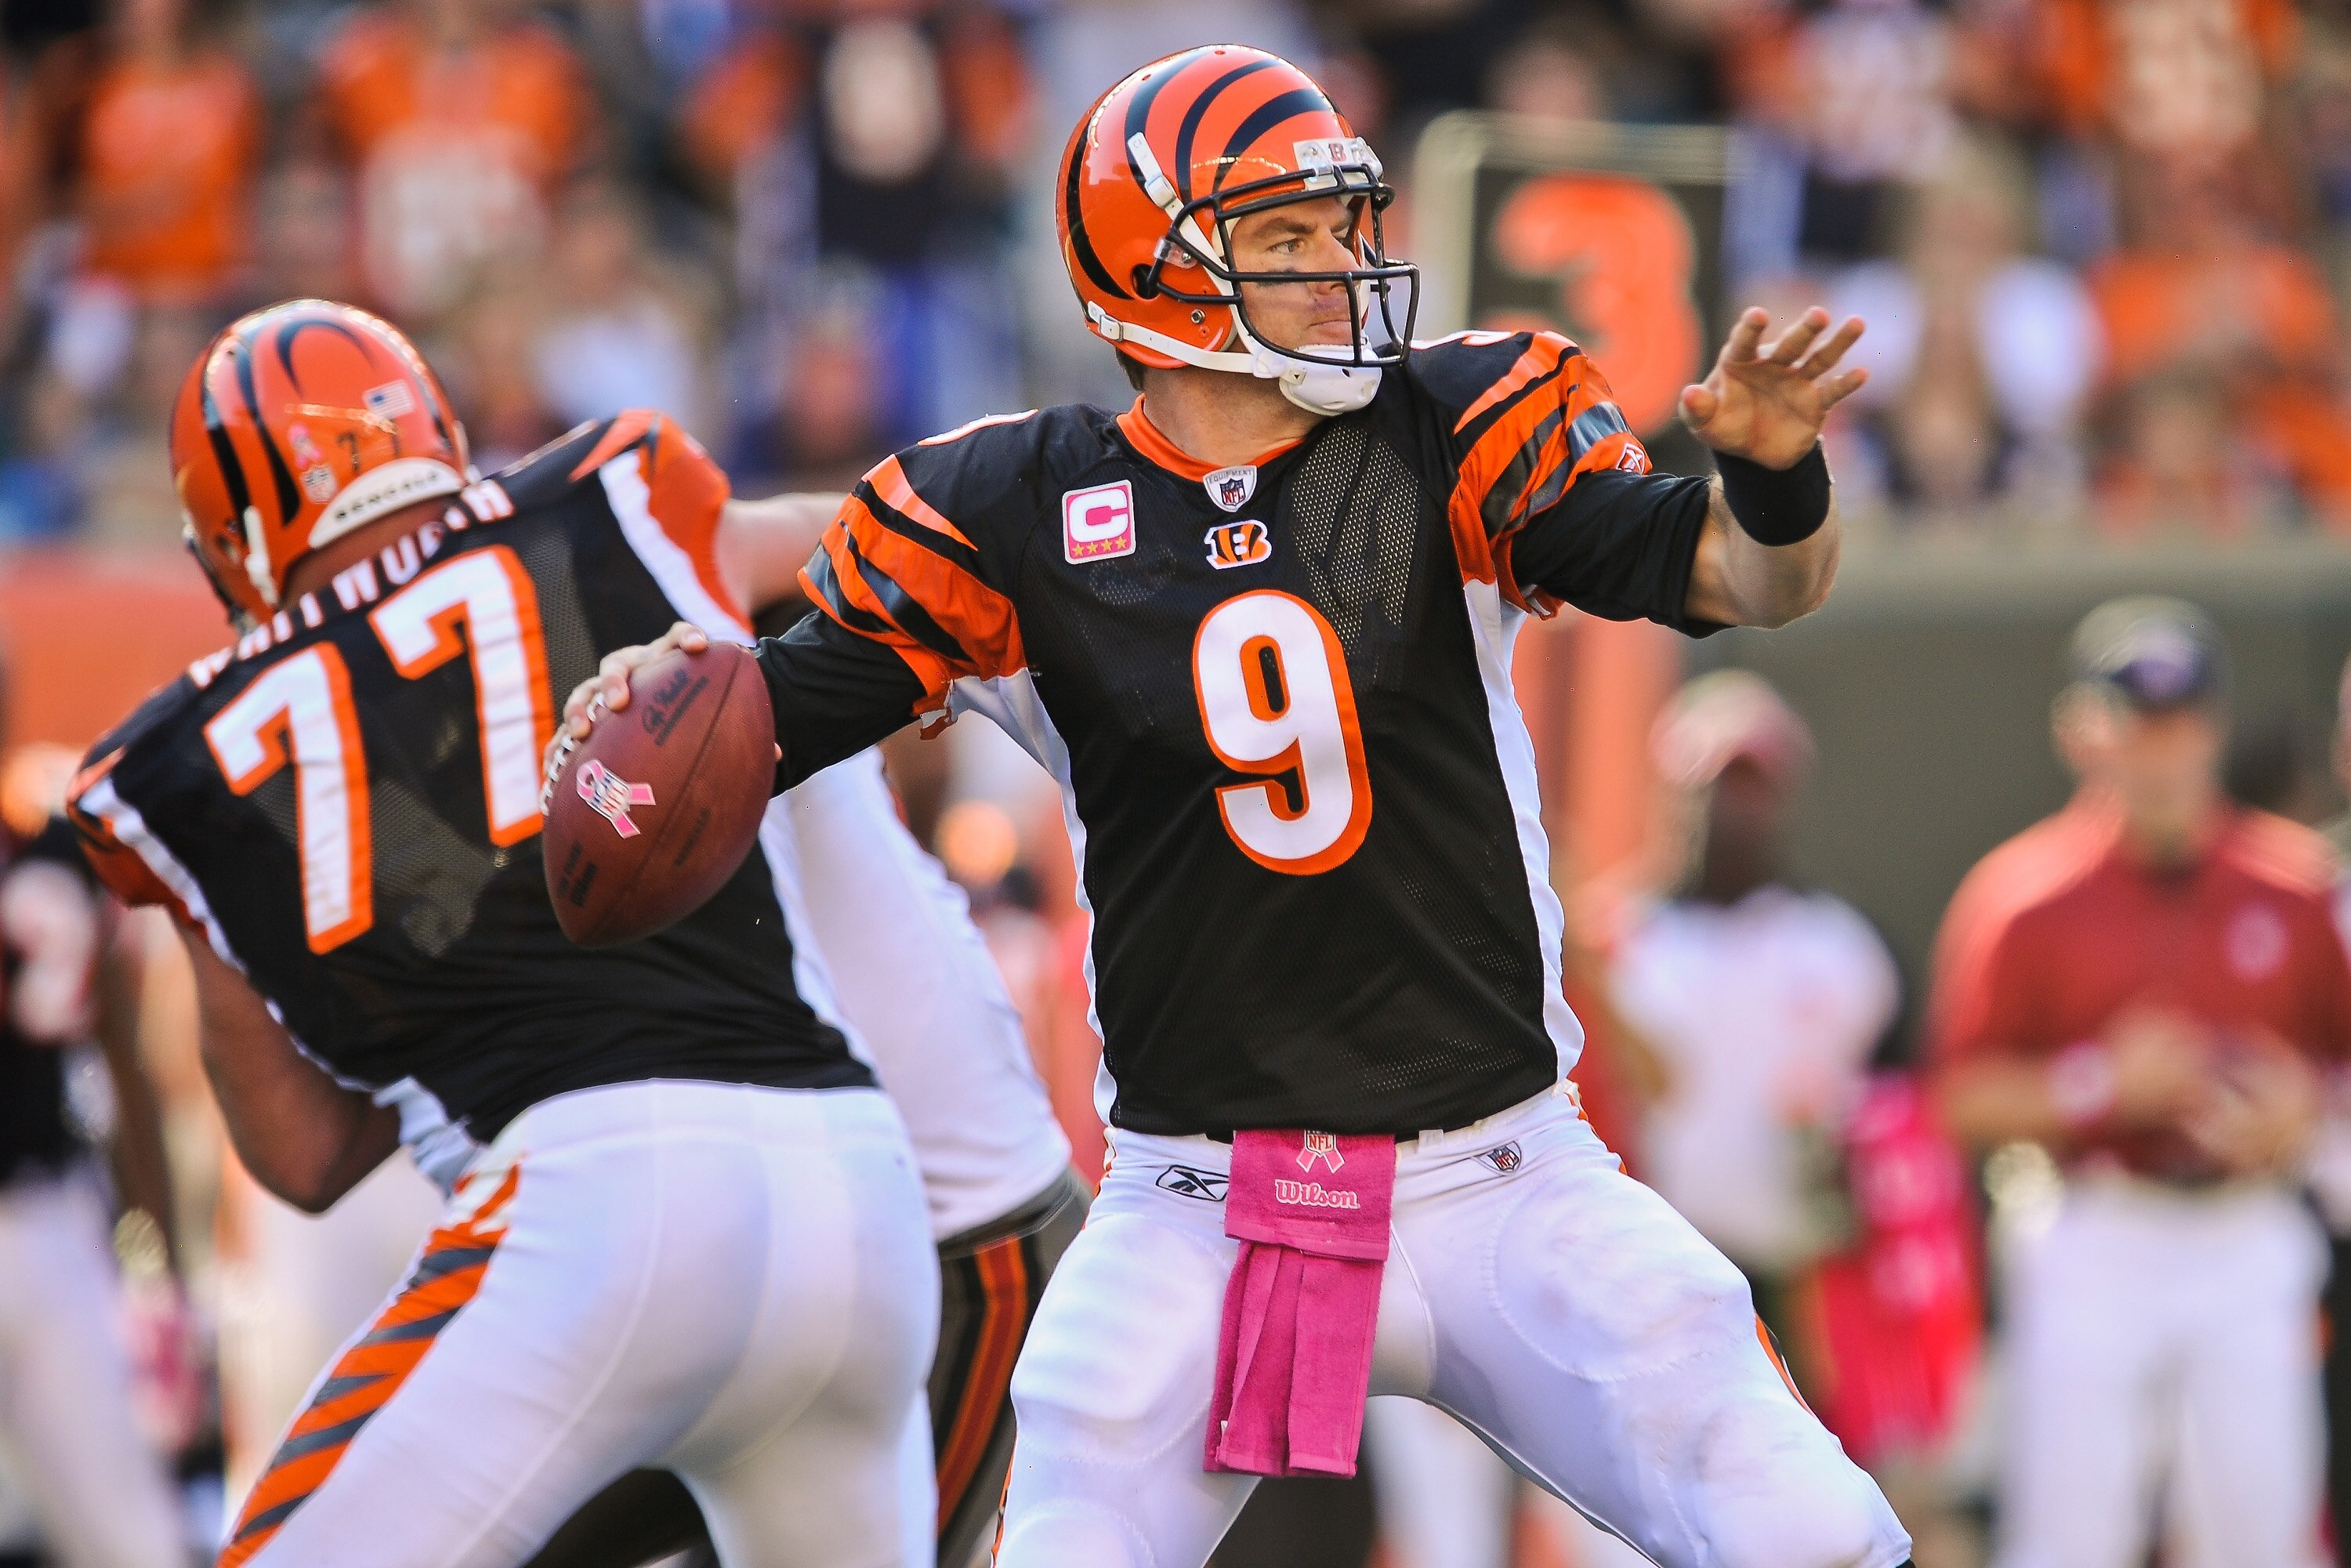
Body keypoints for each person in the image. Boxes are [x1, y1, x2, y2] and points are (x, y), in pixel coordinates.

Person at [564, 45, 1914, 1568]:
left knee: (1817, 1534)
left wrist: (1779, 481)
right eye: (1284, 237)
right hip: (1203, 1209)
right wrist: (669, 698)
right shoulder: (1013, 511)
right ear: (1159, 264)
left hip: (1507, 1176)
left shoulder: (1452, 424)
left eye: (1341, 227)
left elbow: (1747, 576)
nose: (1340, 266)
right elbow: (764, 732)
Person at [67, 300, 939, 1568]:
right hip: (855, 1189)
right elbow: (899, 546)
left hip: (592, 1206)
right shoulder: (616, 491)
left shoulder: (180, 761)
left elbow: (299, 1153)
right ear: (433, 429)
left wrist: (442, 996)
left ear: (230, 538)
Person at [1930, 596, 2349, 1568]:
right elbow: (1958, 1098)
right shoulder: (2021, 894)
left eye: (2180, 724)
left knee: (2261, 1529)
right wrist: (2097, 1085)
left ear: (2213, 729)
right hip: (2097, 1221)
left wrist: (2305, 1110)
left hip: (2248, 1227)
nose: (2161, 753)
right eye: (2136, 724)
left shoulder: (2296, 884)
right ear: (2083, 732)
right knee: (2070, 1533)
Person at [1611, 670, 1900, 1376]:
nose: (1733, 806)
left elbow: (1897, 1109)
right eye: (1715, 782)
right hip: (1661, 1265)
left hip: (1804, 1275)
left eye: (1752, 784)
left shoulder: (1842, 947)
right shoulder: (1620, 940)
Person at [0, 744, 188, 1568]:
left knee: (132, 1537)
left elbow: (126, 1065)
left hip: (51, 1216)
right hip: (47, 1226)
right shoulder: (53, 851)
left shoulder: (54, 848)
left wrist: (162, 1260)